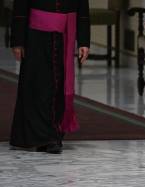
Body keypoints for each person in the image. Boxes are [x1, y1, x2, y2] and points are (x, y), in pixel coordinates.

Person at [10, 0, 90, 154]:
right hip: (35, 37)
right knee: (36, 86)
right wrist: (17, 40)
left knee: (57, 87)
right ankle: (35, 136)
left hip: (63, 36)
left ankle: (52, 136)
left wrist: (84, 40)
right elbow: (20, 6)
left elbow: (82, 7)